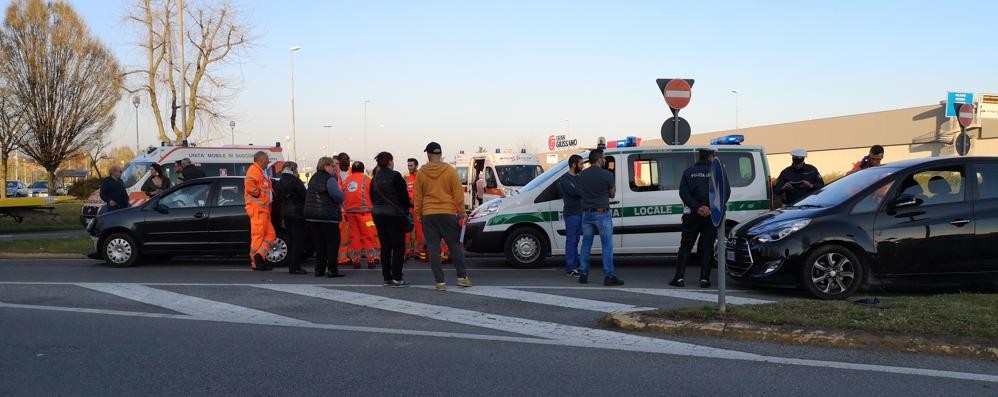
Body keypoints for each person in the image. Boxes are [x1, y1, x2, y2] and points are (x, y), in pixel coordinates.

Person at [414, 142, 472, 291]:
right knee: (454, 246)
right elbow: (458, 193)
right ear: (440, 154)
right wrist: (462, 212)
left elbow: (418, 197)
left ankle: (440, 282)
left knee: (433, 249)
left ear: (428, 154)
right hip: (447, 213)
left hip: (429, 214)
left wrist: (419, 214)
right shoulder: (449, 170)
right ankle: (462, 277)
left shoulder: (421, 172)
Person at [670, 148, 730, 289]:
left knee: (686, 246)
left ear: (699, 156)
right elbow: (725, 192)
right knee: (707, 247)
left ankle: (679, 278)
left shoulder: (689, 172)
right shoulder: (718, 173)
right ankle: (704, 279)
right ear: (711, 157)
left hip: (692, 215)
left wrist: (697, 208)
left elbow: (684, 193)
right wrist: (711, 208)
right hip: (712, 216)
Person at [577, 150, 624, 286]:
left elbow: (581, 191)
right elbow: (612, 194)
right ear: (599, 159)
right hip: (602, 213)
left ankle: (583, 274)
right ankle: (609, 276)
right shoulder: (607, 174)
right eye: (603, 158)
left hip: (586, 214)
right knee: (607, 245)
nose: (604, 160)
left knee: (586, 244)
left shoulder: (582, 175)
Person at [371, 152, 413, 287]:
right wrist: (405, 209)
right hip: (394, 215)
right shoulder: (396, 176)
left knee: (385, 247)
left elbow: (372, 197)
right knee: (398, 247)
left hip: (378, 214)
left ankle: (386, 277)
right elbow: (404, 197)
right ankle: (397, 277)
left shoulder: (374, 178)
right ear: (390, 162)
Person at [305, 157, 346, 278]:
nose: (335, 169)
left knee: (319, 245)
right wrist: (342, 195)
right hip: (328, 217)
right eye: (333, 166)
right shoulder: (329, 180)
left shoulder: (313, 178)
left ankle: (319, 270)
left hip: (312, 217)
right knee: (332, 244)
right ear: (326, 166)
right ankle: (332, 270)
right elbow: (338, 196)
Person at [343, 161, 380, 268]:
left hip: (350, 213)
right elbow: (374, 195)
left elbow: (343, 196)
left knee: (354, 237)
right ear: (363, 169)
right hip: (366, 214)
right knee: (369, 236)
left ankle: (356, 261)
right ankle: (371, 260)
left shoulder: (346, 181)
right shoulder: (367, 180)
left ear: (352, 170)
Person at [244, 151, 276, 271]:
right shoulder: (254, 170)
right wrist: (258, 194)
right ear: (261, 160)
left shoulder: (260, 171)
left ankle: (259, 257)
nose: (268, 162)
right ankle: (256, 263)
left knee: (271, 235)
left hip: (264, 210)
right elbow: (250, 186)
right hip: (257, 210)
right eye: (267, 160)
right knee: (258, 237)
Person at [277, 162, 308, 275]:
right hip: (297, 214)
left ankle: (292, 266)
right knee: (298, 241)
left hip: (285, 213)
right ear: (292, 169)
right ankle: (295, 267)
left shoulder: (280, 181)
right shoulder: (294, 181)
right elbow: (305, 195)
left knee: (291, 240)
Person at [557, 155, 584, 277]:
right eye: (580, 164)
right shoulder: (565, 179)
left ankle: (575, 264)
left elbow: (582, 191)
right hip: (572, 214)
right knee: (572, 241)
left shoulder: (579, 178)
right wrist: (583, 191)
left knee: (576, 240)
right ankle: (570, 268)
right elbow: (576, 192)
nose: (582, 166)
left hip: (580, 213)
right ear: (574, 164)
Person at [404, 158, 427, 261]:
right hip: (408, 207)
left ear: (416, 166)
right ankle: (407, 252)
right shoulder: (406, 177)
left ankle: (419, 251)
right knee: (407, 231)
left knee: (419, 231)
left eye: (411, 166)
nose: (409, 168)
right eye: (408, 165)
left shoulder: (421, 177)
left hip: (418, 208)